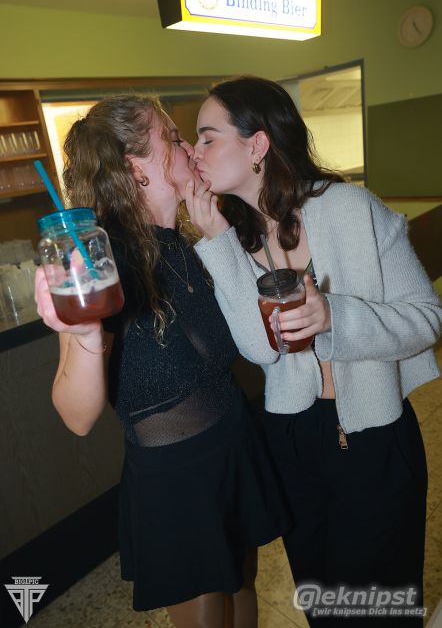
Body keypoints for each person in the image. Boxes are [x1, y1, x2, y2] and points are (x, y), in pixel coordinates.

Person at [185, 76, 442, 628]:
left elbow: (427, 319)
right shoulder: (235, 239)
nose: (195, 152)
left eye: (208, 137)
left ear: (257, 144)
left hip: (374, 436)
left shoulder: (351, 209)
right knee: (325, 604)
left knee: (381, 608)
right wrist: (216, 241)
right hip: (291, 440)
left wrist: (335, 316)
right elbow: (260, 350)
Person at [34, 94, 291, 628]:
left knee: (244, 588)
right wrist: (84, 332)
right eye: (173, 139)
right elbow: (76, 415)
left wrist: (219, 233)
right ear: (135, 169)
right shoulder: (103, 259)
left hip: (233, 443)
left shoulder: (186, 244)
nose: (189, 147)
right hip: (175, 480)